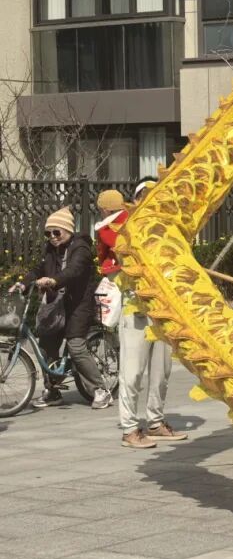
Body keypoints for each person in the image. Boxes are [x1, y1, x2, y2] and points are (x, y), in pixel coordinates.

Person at [9, 207, 110, 409]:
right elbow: (38, 269)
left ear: (68, 230)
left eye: (57, 232)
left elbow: (74, 270)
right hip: (57, 302)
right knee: (46, 344)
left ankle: (101, 390)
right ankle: (52, 391)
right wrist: (23, 283)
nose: (53, 237)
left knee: (75, 346)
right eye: (48, 233)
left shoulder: (81, 248)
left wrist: (54, 280)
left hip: (79, 304)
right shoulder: (51, 249)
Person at [113, 178, 188, 448]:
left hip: (164, 311)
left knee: (161, 372)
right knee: (132, 373)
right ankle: (129, 429)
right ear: (135, 201)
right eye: (144, 196)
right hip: (136, 311)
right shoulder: (126, 231)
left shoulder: (169, 234)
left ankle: (155, 422)